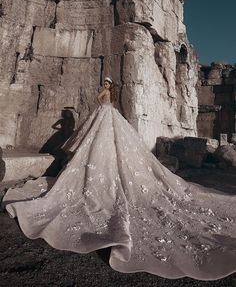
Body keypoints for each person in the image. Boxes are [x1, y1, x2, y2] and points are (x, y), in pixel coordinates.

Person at [2, 77, 236, 281]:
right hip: (110, 116)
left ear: (107, 85)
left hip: (103, 117)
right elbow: (104, 101)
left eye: (105, 84)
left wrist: (81, 107)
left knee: (97, 149)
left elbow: (97, 98)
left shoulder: (104, 93)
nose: (104, 86)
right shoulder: (112, 98)